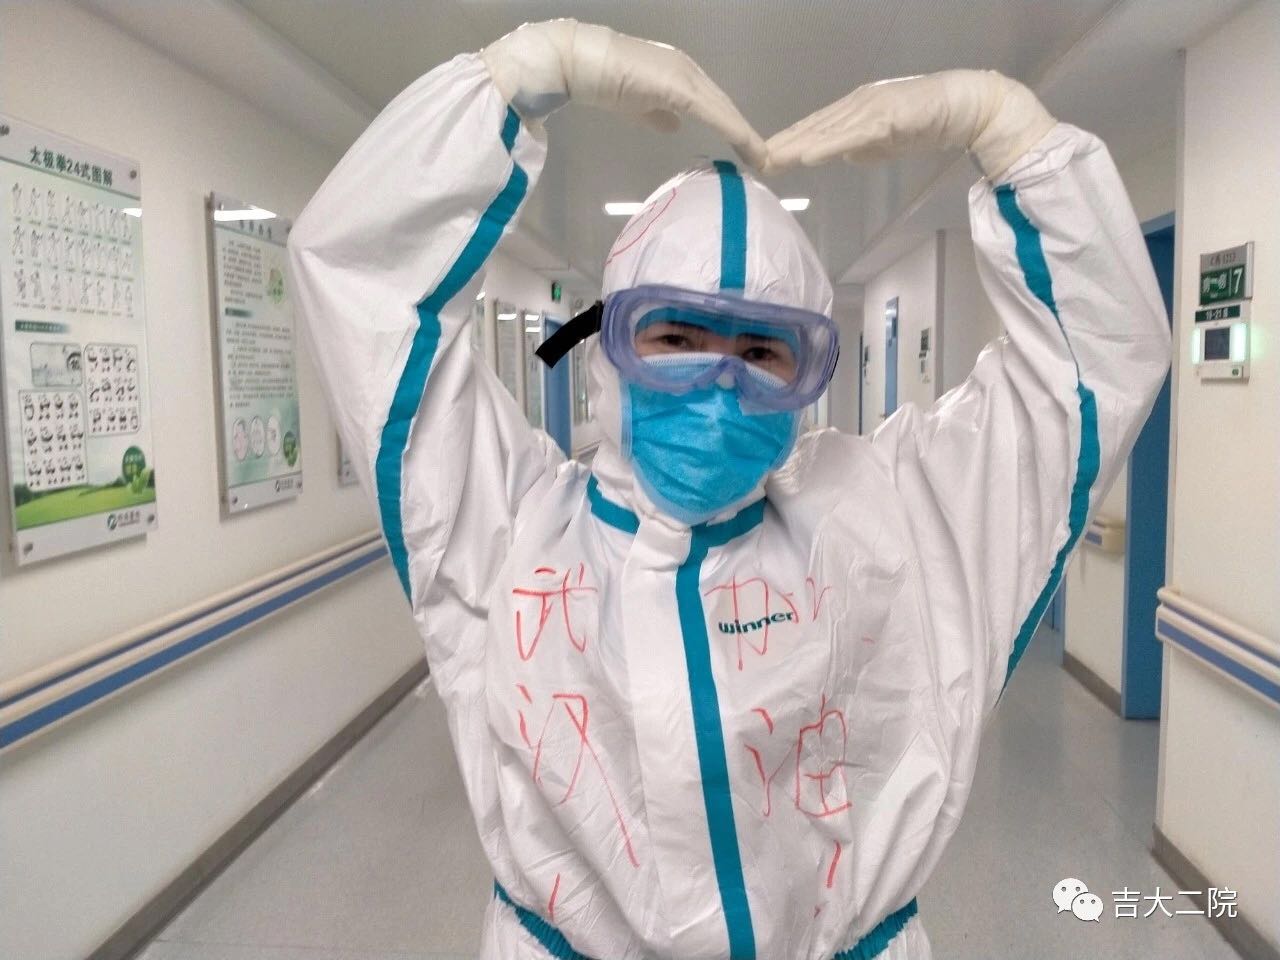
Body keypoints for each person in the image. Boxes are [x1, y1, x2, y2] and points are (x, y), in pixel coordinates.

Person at [289, 19, 1170, 960]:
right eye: (675, 338)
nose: (719, 383)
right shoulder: (509, 528)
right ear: (609, 349)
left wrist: (1010, 132)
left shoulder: (893, 530)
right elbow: (363, 285)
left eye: (761, 350)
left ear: (808, 375)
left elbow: (1092, 372)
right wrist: (517, 76)